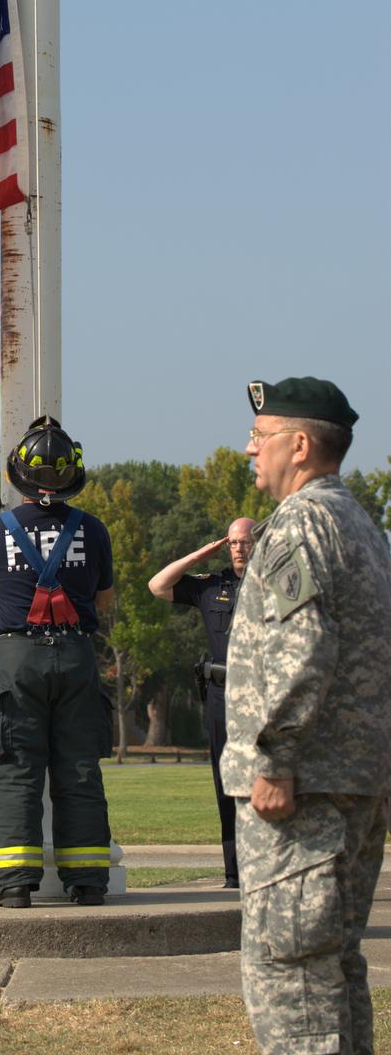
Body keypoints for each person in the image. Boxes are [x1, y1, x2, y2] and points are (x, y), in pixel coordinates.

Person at [221, 376, 391, 1055]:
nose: (247, 449)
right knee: (332, 963)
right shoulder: (361, 523)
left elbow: (301, 646)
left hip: (303, 790)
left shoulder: (299, 522)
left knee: (289, 971)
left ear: (297, 445)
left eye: (259, 438)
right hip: (351, 778)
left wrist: (275, 758)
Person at [0, 416, 114, 910]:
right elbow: (106, 595)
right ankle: (89, 878)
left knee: (15, 769)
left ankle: (13, 882)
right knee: (79, 767)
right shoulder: (92, 530)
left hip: (17, 658)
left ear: (19, 476)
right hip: (76, 654)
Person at [148, 515, 255, 889]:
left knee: (267, 782)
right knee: (227, 783)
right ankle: (234, 872)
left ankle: (268, 867)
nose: (241, 548)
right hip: (222, 695)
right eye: (234, 542)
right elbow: (158, 586)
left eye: (247, 540)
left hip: (264, 697)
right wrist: (197, 557)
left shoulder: (277, 584)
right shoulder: (213, 586)